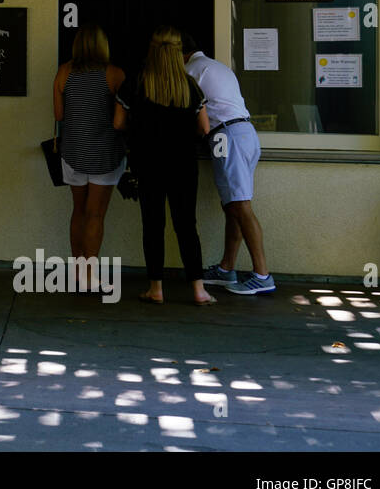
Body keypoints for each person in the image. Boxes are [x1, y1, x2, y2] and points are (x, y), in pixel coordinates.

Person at [114, 27, 214, 306]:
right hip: (183, 163)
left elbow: (118, 123)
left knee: (153, 224)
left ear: (152, 50)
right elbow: (204, 128)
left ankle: (156, 289)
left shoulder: (135, 83)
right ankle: (199, 290)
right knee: (186, 225)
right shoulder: (190, 86)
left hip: (147, 163)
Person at [182, 32, 276, 295]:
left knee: (240, 206)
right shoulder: (216, 66)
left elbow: (187, 111)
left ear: (180, 53)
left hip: (226, 136)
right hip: (244, 133)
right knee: (233, 205)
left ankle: (262, 275)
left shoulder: (191, 71)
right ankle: (226, 268)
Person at [53, 24, 125, 287]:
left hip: (72, 151)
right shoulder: (114, 75)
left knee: (78, 212)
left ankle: (76, 271)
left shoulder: (64, 72)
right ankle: (89, 277)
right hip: (104, 154)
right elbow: (122, 118)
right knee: (95, 215)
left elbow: (59, 115)